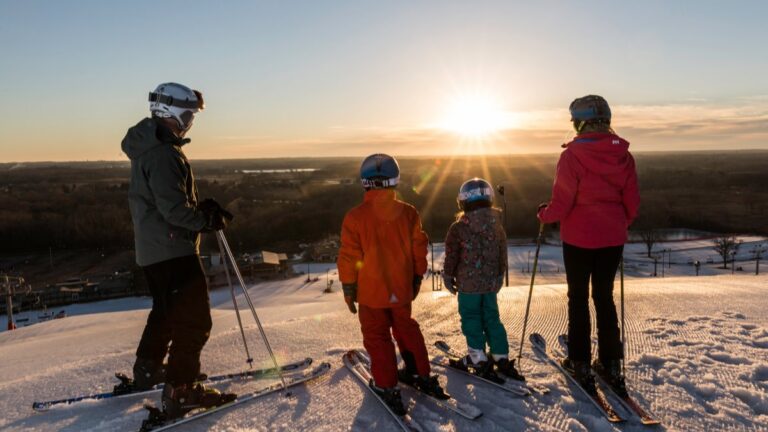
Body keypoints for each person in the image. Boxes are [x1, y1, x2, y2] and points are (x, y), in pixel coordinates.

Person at [121, 82, 235, 419]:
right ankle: (181, 390)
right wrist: (205, 219)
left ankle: (149, 370)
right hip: (172, 249)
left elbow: (166, 203)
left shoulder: (151, 147)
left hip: (155, 249)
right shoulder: (162, 153)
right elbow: (173, 210)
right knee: (193, 320)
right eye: (189, 114)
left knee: (166, 313)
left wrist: (199, 209)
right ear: (174, 113)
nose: (191, 121)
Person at [537, 95, 640, 395]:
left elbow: (562, 202)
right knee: (604, 297)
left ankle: (580, 362)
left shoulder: (572, 157)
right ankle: (611, 363)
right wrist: (619, 223)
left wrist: (544, 214)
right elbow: (631, 203)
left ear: (580, 122)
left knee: (578, 298)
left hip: (579, 240)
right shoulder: (624, 156)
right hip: (612, 239)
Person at [337, 153, 448, 415]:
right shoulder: (409, 213)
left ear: (365, 182)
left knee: (377, 338)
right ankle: (420, 373)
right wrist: (418, 276)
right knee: (406, 329)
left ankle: (387, 386)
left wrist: (348, 287)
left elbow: (350, 257)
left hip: (370, 295)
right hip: (401, 290)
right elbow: (419, 248)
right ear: (394, 180)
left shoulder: (355, 217)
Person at [442, 178, 524, 381]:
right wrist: (498, 277)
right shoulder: (497, 226)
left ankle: (478, 357)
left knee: (471, 318)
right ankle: (500, 355)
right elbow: (502, 254)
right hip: (489, 285)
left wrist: (447, 275)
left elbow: (452, 255)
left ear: (462, 202)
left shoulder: (458, 228)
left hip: (468, 286)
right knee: (491, 318)